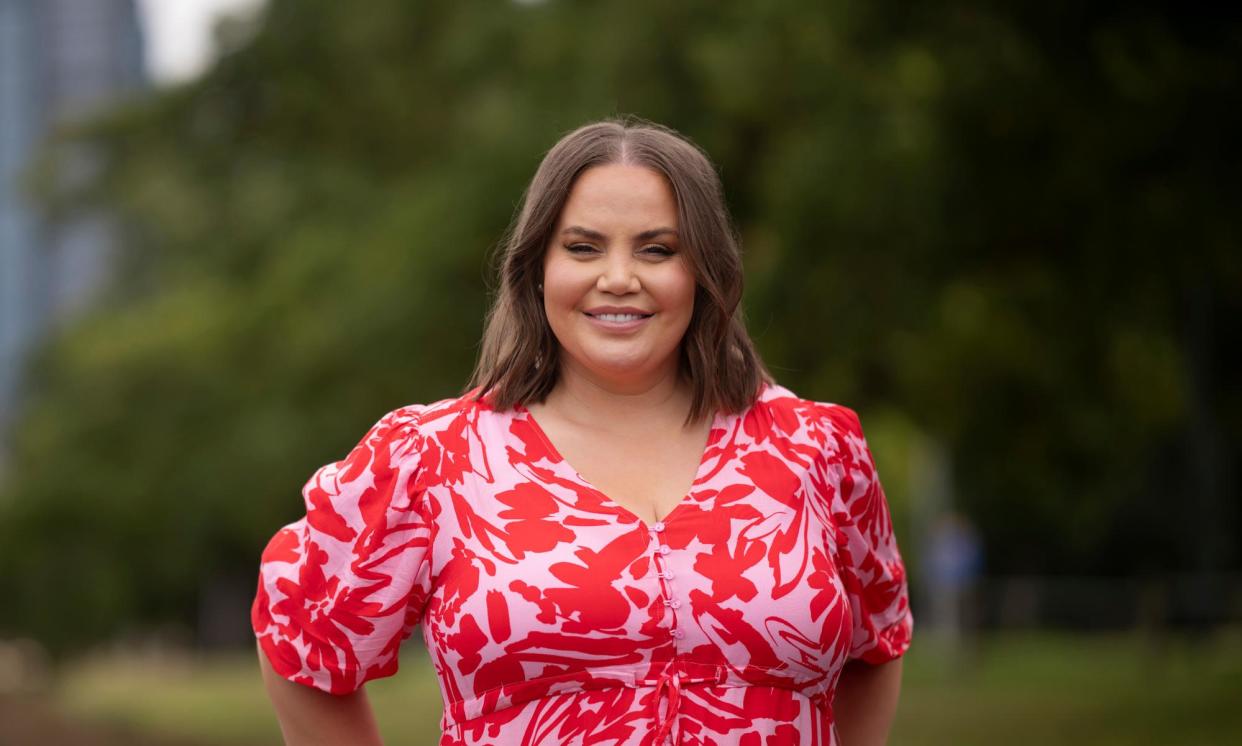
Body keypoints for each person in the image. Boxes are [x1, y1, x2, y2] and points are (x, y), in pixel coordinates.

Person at [253, 117, 912, 745]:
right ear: (537, 267)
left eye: (657, 249)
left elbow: (877, 642)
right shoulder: (434, 459)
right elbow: (299, 638)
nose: (619, 278)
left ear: (704, 272)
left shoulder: (817, 450)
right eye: (583, 247)